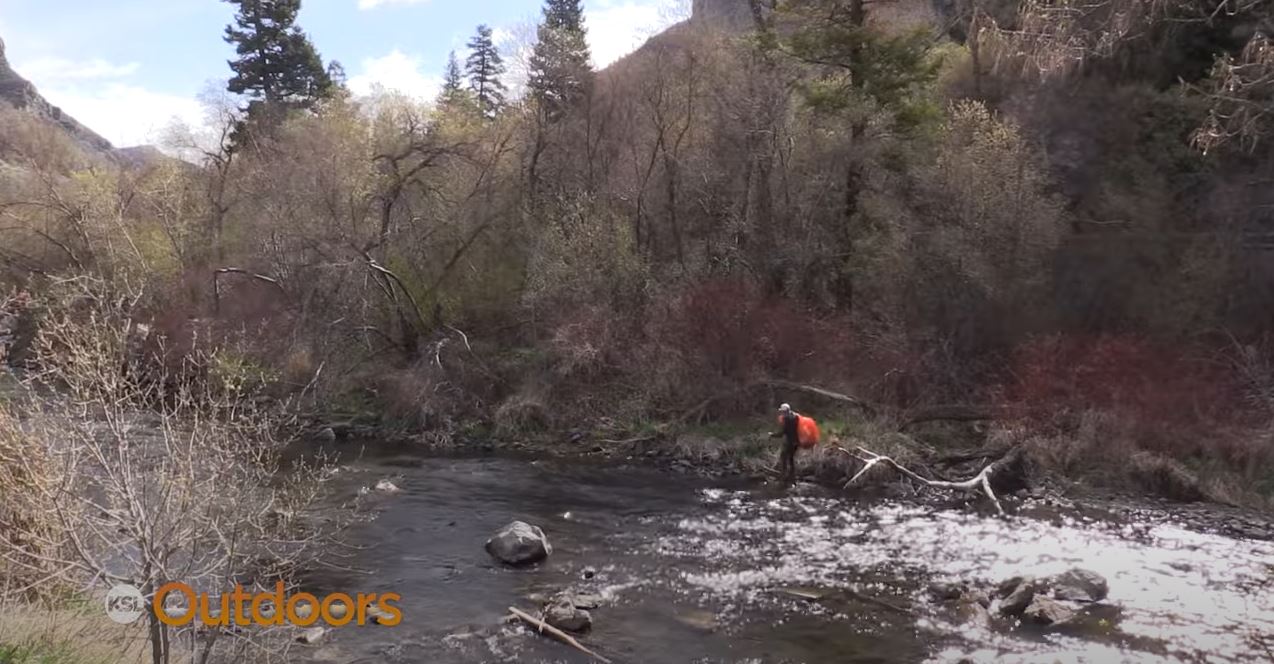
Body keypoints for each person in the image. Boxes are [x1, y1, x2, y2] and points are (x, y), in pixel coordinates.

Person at [770, 403, 801, 483]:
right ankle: (792, 476)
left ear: (785, 411)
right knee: (791, 458)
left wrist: (772, 435)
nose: (781, 413)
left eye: (782, 411)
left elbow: (783, 432)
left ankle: (784, 476)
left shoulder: (787, 419)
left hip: (790, 442)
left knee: (783, 457)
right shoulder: (796, 416)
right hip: (797, 442)